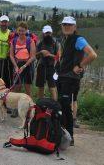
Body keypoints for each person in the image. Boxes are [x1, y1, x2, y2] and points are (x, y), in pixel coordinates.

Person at [57, 16, 97, 146]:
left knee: (66, 107)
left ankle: (70, 137)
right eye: (64, 25)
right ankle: (63, 134)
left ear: (75, 27)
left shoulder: (78, 39)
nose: (66, 26)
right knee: (62, 105)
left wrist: (80, 66)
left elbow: (92, 54)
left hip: (71, 78)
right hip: (62, 77)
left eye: (69, 25)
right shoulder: (65, 39)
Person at [10, 22, 36, 97]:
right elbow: (11, 55)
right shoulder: (14, 41)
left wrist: (24, 66)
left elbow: (33, 56)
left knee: (28, 88)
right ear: (17, 30)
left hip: (28, 65)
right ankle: (15, 106)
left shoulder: (30, 41)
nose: (21, 33)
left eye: (23, 31)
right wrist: (15, 66)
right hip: (17, 64)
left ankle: (29, 106)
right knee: (17, 86)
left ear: (26, 31)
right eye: (20, 30)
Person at [35, 25, 59, 100]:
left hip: (52, 68)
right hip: (41, 67)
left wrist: (49, 55)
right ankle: (40, 106)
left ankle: (54, 106)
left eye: (49, 33)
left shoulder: (56, 43)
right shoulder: (40, 43)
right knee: (41, 87)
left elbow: (58, 58)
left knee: (52, 88)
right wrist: (41, 52)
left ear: (51, 33)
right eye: (46, 33)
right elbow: (35, 56)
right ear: (43, 33)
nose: (47, 34)